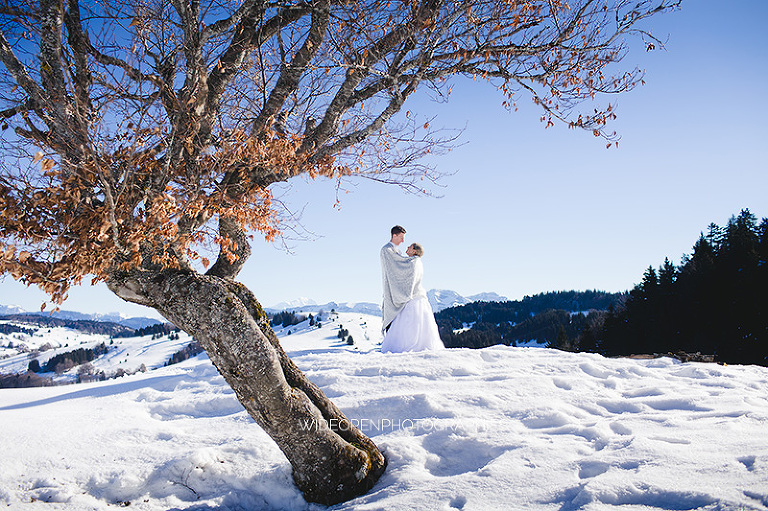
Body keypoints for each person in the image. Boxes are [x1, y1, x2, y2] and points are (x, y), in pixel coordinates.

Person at [380, 233, 445, 353]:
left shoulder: (413, 262)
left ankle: (406, 347)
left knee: (409, 326)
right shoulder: (414, 261)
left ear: (414, 250)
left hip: (414, 299)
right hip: (418, 298)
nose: (407, 247)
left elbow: (405, 274)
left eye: (409, 246)